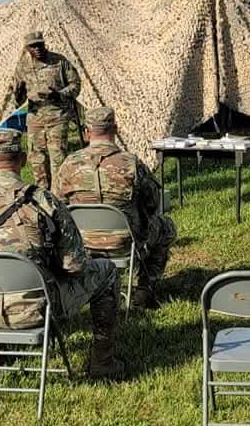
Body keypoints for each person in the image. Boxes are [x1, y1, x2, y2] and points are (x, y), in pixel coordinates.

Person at [0, 128, 125, 378]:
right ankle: (103, 362)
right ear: (23, 160)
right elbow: (75, 265)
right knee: (107, 271)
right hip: (34, 309)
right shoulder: (43, 201)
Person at [54, 107, 176, 308]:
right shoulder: (131, 163)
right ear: (115, 130)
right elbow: (153, 202)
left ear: (87, 132)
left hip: (82, 243)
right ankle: (144, 291)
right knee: (166, 227)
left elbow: (58, 207)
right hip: (124, 242)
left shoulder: (69, 165)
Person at [11, 31, 81, 189]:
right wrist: (18, 93)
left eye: (39, 45)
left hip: (57, 116)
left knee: (58, 158)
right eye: (33, 46)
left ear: (44, 44)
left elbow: (76, 85)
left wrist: (59, 95)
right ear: (27, 48)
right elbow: (18, 99)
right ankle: (42, 192)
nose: (37, 49)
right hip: (35, 119)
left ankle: (59, 194)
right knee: (37, 159)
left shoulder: (59, 61)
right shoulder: (23, 66)